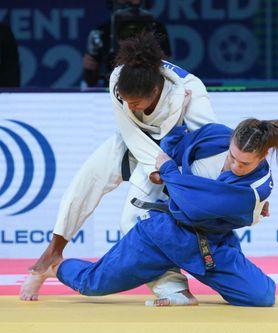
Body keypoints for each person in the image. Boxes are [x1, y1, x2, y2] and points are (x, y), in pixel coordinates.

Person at [20, 32, 216, 305]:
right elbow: (131, 132)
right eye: (125, 100)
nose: (129, 106)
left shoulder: (190, 91)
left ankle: (173, 285)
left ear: (156, 92)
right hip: (135, 142)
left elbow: (210, 143)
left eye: (135, 103)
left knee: (133, 219)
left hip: (174, 155)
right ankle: (52, 253)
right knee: (85, 182)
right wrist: (151, 166)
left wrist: (202, 183)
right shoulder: (118, 79)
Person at [38, 119, 278, 306]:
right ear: (231, 139)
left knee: (263, 296)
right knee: (92, 284)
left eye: (244, 164)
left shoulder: (253, 188)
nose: (234, 165)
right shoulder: (216, 137)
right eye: (233, 156)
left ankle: (174, 285)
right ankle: (55, 267)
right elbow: (178, 144)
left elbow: (193, 205)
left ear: (263, 156)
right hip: (162, 234)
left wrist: (168, 170)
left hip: (210, 247)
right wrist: (169, 153)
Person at [83, 0, 171, 87]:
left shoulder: (157, 29)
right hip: (111, 89)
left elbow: (166, 69)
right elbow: (90, 80)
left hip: (149, 89)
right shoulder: (101, 33)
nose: (128, 3)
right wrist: (90, 68)